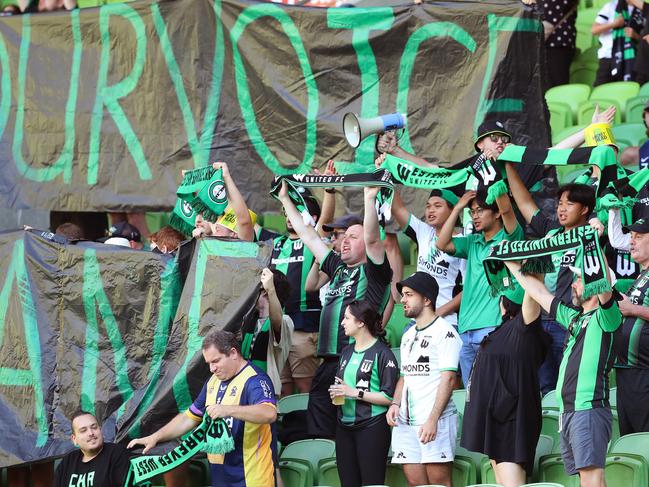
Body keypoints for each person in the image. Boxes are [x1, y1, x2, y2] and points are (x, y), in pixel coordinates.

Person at [278, 181, 392, 438]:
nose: (346, 242)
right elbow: (308, 235)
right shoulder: (338, 268)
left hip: (358, 360)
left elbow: (373, 239)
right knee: (320, 431)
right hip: (328, 362)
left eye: (354, 237)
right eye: (345, 237)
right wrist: (285, 199)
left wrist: (369, 198)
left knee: (351, 429)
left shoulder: (375, 272)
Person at [504, 259, 622, 486]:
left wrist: (594, 245)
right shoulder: (574, 318)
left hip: (588, 408)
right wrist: (509, 263)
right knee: (589, 478)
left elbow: (605, 288)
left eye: (580, 279)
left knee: (591, 479)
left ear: (595, 285)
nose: (573, 284)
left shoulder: (607, 317)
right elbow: (538, 291)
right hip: (568, 412)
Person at [128, 330, 277, 487]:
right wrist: (155, 438)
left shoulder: (255, 379)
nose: (212, 368)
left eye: (216, 361)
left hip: (252, 477)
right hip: (221, 476)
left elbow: (269, 413)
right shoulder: (213, 381)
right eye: (209, 364)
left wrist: (228, 410)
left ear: (233, 353)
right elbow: (188, 418)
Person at [506, 162, 596, 395]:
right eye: (559, 204)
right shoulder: (550, 233)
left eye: (570, 204)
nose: (562, 209)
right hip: (540, 320)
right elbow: (523, 201)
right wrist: (507, 163)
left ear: (585, 209)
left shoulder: (592, 237)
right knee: (541, 388)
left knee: (566, 387)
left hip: (569, 322)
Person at [461, 289, 550, 487]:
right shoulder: (502, 330)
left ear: (505, 303)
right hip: (494, 419)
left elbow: (532, 296)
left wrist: (530, 268)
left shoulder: (524, 330)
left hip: (512, 420)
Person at [436, 188, 523, 386]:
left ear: (497, 212)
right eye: (472, 212)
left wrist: (498, 188)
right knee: (471, 395)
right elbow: (441, 244)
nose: (475, 216)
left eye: (480, 210)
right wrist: (457, 207)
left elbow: (509, 212)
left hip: (493, 327)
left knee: (495, 390)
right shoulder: (473, 242)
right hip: (466, 329)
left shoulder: (510, 237)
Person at [387, 272, 462, 487]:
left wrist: (432, 419)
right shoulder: (408, 334)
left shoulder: (445, 333)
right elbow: (404, 376)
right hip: (405, 422)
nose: (403, 300)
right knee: (415, 484)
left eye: (409, 295)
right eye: (403, 295)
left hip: (433, 420)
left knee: (439, 485)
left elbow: (448, 380)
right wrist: (395, 403)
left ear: (427, 299)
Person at [257, 189, 325, 396]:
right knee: (281, 390)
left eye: (295, 212)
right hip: (275, 327)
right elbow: (244, 221)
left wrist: (329, 190)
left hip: (303, 328)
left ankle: (308, 429)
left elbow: (325, 219)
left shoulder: (313, 240)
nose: (289, 216)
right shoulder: (275, 242)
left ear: (311, 218)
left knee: (305, 389)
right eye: (287, 212)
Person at [329, 301, 399, 487]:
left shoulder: (383, 353)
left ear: (361, 322)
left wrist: (354, 393)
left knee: (372, 483)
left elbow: (389, 398)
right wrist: (338, 392)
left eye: (346, 318)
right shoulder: (346, 352)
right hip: (344, 427)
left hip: (372, 427)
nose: (342, 322)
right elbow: (343, 386)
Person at [388, 182, 465, 329]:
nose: (431, 210)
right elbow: (397, 208)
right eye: (428, 206)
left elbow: (467, 290)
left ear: (453, 211)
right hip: (417, 321)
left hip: (447, 322)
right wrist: (387, 177)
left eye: (438, 206)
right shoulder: (423, 231)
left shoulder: (464, 242)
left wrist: (436, 314)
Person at [614, 217, 649, 435]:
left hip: (644, 372)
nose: (631, 242)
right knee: (630, 438)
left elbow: (632, 310)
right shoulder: (641, 276)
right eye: (631, 237)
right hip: (626, 371)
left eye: (639, 237)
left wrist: (634, 310)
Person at [240, 267, 293, 396]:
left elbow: (276, 322)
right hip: (243, 388)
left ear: (264, 292)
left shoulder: (286, 321)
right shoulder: (249, 319)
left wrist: (270, 289)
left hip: (265, 391)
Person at [54, 411, 131, 487]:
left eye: (94, 427)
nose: (91, 433)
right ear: (74, 439)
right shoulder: (67, 463)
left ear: (100, 430)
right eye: (83, 430)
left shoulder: (117, 454)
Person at [192, 162, 255, 242]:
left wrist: (226, 177)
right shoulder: (212, 244)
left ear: (234, 234)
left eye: (224, 222)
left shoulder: (241, 246)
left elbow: (244, 221)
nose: (217, 224)